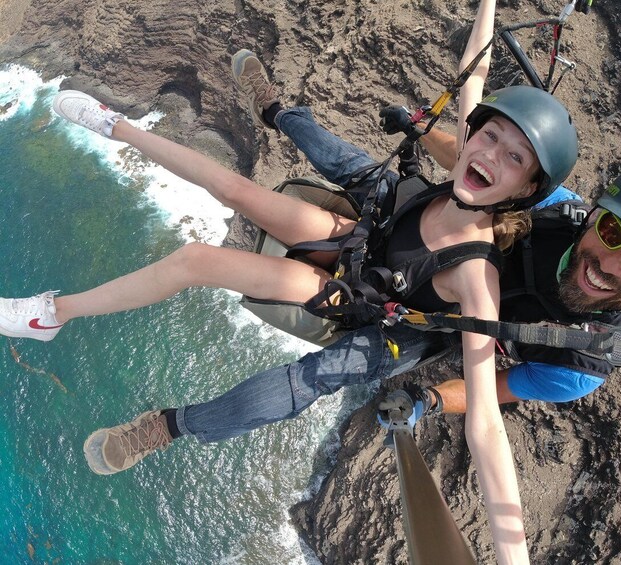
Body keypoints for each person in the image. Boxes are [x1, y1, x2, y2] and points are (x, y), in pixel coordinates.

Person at [0, 2, 573, 560]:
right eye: (490, 137)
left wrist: (511, 556)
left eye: (515, 158)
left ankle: (160, 422)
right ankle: (119, 135)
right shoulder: (461, 171)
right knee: (239, 204)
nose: (492, 154)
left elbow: (487, 426)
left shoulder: (477, 278)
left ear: (524, 190)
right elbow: (474, 68)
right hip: (372, 235)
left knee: (301, 375)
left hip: (378, 313)